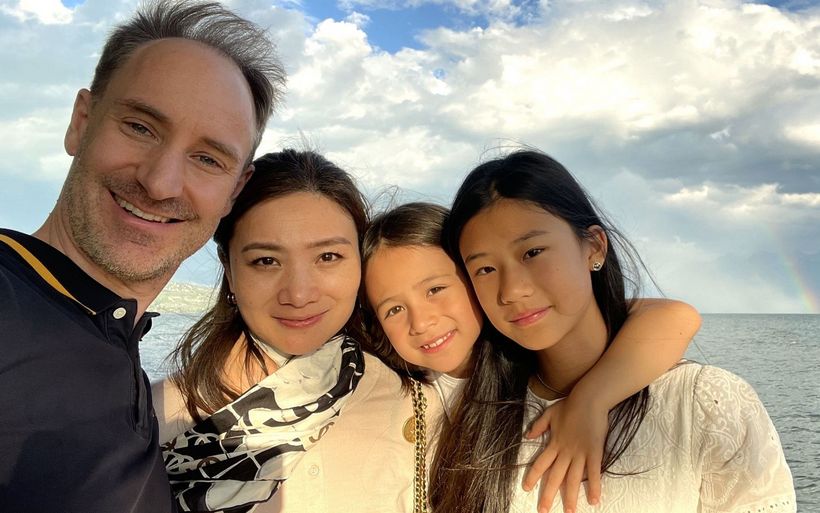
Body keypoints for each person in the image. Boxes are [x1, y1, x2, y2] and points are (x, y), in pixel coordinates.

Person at [0, 1, 284, 511]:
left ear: (234, 192)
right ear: (81, 122)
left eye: (207, 158)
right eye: (140, 127)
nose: (160, 183)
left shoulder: (112, 340)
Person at [441, 149, 796, 513]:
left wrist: (590, 399)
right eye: (485, 269)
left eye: (532, 252)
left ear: (594, 247)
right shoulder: (470, 413)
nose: (512, 291)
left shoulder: (703, 403)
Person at [362, 202, 701, 512]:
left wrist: (589, 400)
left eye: (435, 290)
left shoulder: (528, 357)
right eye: (394, 309)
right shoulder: (391, 385)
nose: (421, 322)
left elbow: (675, 316)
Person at [151, 150, 441, 513]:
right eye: (266, 261)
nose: (299, 294)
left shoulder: (416, 404)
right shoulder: (151, 419)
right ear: (229, 271)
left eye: (328, 257)